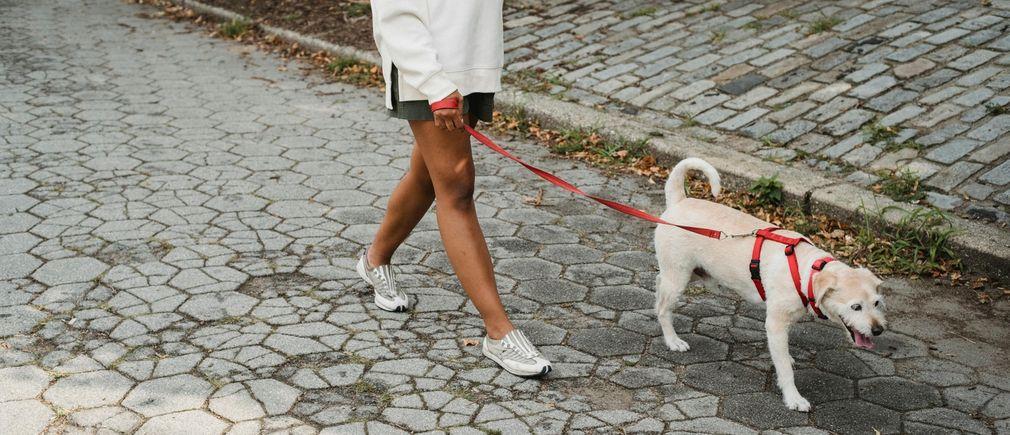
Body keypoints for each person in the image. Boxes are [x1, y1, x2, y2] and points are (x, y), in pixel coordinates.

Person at [360, 0, 551, 377]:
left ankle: (374, 259)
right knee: (457, 188)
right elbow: (394, 14)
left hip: (470, 65)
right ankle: (499, 330)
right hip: (428, 73)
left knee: (429, 177)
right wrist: (435, 84)